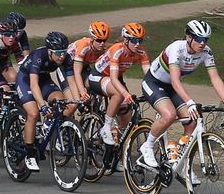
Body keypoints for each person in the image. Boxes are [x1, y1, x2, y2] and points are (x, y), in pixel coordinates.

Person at [138, 20, 224, 175]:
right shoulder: (177, 48)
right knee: (169, 115)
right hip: (154, 83)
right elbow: (175, 80)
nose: (202, 43)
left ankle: (181, 163)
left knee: (192, 122)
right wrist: (190, 102)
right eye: (198, 39)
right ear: (189, 37)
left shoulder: (206, 52)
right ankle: (148, 146)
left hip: (172, 87)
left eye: (205, 39)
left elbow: (215, 78)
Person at [8, 31, 73, 172]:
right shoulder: (39, 56)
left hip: (44, 80)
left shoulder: (66, 58)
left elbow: (70, 83)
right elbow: (33, 84)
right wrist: (43, 105)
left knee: (61, 102)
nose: (62, 55)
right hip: (26, 79)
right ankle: (30, 153)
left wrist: (74, 100)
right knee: (33, 113)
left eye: (64, 51)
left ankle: (48, 127)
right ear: (50, 51)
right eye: (59, 52)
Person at [89, 23, 151, 146]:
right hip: (99, 76)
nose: (137, 43)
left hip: (117, 77)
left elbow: (149, 76)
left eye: (140, 40)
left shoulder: (141, 52)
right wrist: (125, 93)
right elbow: (113, 78)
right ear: (126, 40)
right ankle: (106, 127)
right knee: (119, 94)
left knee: (126, 115)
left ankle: (118, 150)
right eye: (134, 40)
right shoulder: (117, 50)